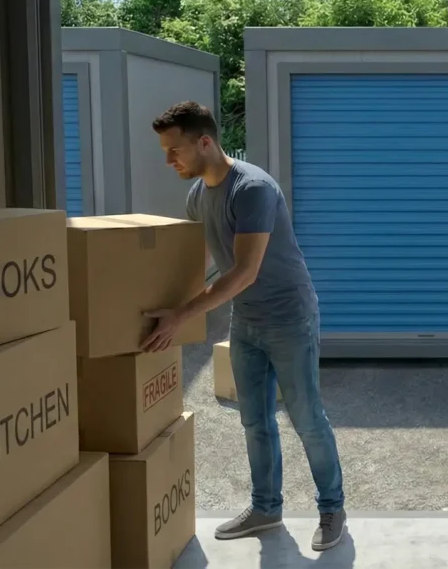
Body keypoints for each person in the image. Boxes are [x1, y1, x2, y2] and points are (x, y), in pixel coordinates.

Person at [141, 101, 347, 552]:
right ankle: (266, 509)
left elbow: (244, 272)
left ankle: (332, 509)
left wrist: (182, 316)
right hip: (247, 319)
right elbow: (199, 264)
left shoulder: (252, 189)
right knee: (253, 420)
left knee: (306, 418)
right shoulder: (198, 195)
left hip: (289, 316)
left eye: (174, 150)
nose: (168, 160)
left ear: (205, 142)